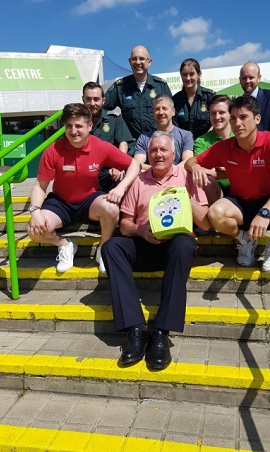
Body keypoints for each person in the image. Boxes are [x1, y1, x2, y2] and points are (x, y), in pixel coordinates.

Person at [101, 131, 210, 370]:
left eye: (163, 150)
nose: (158, 154)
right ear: (147, 154)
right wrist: (141, 231)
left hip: (175, 248)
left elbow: (204, 223)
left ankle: (161, 331)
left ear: (174, 153)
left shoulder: (187, 176)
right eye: (153, 151)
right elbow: (125, 224)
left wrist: (184, 198)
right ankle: (136, 329)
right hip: (145, 245)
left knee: (185, 244)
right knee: (112, 247)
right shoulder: (139, 181)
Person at [185, 95, 270, 274]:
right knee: (216, 212)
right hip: (241, 203)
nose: (237, 123)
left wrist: (265, 211)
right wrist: (197, 167)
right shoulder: (224, 146)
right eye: (233, 118)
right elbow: (190, 162)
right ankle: (245, 240)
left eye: (243, 117)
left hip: (269, 203)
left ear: (257, 118)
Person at [27, 103, 140, 275]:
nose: (73, 131)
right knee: (33, 230)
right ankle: (65, 245)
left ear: (89, 126)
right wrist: (35, 211)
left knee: (111, 207)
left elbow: (134, 165)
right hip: (60, 203)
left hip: (89, 200)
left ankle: (104, 249)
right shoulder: (53, 150)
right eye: (69, 126)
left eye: (78, 126)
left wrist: (121, 188)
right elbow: (40, 186)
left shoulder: (100, 146)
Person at [103, 45, 172, 152]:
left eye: (142, 58)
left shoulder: (160, 86)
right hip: (132, 147)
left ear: (149, 62)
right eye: (134, 59)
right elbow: (102, 107)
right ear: (130, 61)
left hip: (157, 144)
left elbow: (172, 116)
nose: (138, 62)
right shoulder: (120, 87)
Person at [82, 81, 133, 192]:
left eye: (96, 99)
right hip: (85, 172)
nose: (92, 103)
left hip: (108, 172)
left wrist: (118, 166)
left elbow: (123, 143)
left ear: (103, 101)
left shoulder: (114, 119)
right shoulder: (77, 122)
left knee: (118, 178)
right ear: (83, 100)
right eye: (88, 99)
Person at [134, 94, 193, 172]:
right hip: (151, 182)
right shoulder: (144, 138)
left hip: (178, 181)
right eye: (157, 109)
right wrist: (160, 171)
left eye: (164, 108)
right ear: (153, 113)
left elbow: (187, 163)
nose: (161, 112)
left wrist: (161, 171)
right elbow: (137, 164)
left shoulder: (186, 136)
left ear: (173, 112)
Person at [194, 94, 233, 204]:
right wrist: (233, 170)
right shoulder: (201, 141)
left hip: (241, 185)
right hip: (216, 188)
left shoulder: (240, 136)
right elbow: (201, 170)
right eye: (213, 113)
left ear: (230, 114)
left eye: (221, 112)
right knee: (207, 181)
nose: (217, 117)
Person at [239, 61, 270, 135]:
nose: (247, 81)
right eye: (244, 78)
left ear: (259, 78)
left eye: (251, 77)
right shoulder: (238, 103)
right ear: (240, 80)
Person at [173, 58, 215, 139]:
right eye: (184, 74)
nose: (188, 78)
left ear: (199, 74)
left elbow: (216, 123)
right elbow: (174, 128)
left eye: (191, 74)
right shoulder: (175, 100)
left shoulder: (210, 96)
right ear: (181, 76)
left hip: (207, 145)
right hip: (183, 147)